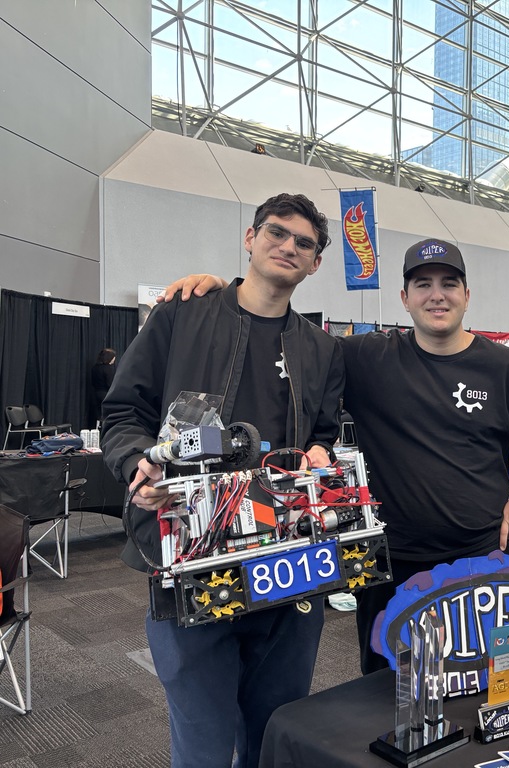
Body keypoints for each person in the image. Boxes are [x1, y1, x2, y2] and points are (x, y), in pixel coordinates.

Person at [162, 237, 509, 675]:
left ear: (467, 295)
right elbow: (284, 338)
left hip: (476, 557)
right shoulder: (366, 358)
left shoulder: (504, 367)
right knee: (387, 694)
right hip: (389, 561)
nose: (437, 295)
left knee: (476, 684)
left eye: (449, 283)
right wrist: (225, 293)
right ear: (405, 299)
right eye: (422, 284)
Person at [101, 193, 345, 768]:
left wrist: (318, 453)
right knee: (202, 738)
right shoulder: (184, 312)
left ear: (314, 263)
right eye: (276, 232)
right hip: (190, 556)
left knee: (275, 732)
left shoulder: (323, 350)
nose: (287, 246)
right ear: (250, 238)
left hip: (286, 565)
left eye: (303, 243)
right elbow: (122, 413)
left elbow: (325, 434)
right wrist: (138, 462)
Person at [88, 348, 116, 427]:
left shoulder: (95, 368)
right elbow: (110, 384)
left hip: (96, 395)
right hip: (106, 395)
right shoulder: (108, 369)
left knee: (99, 416)